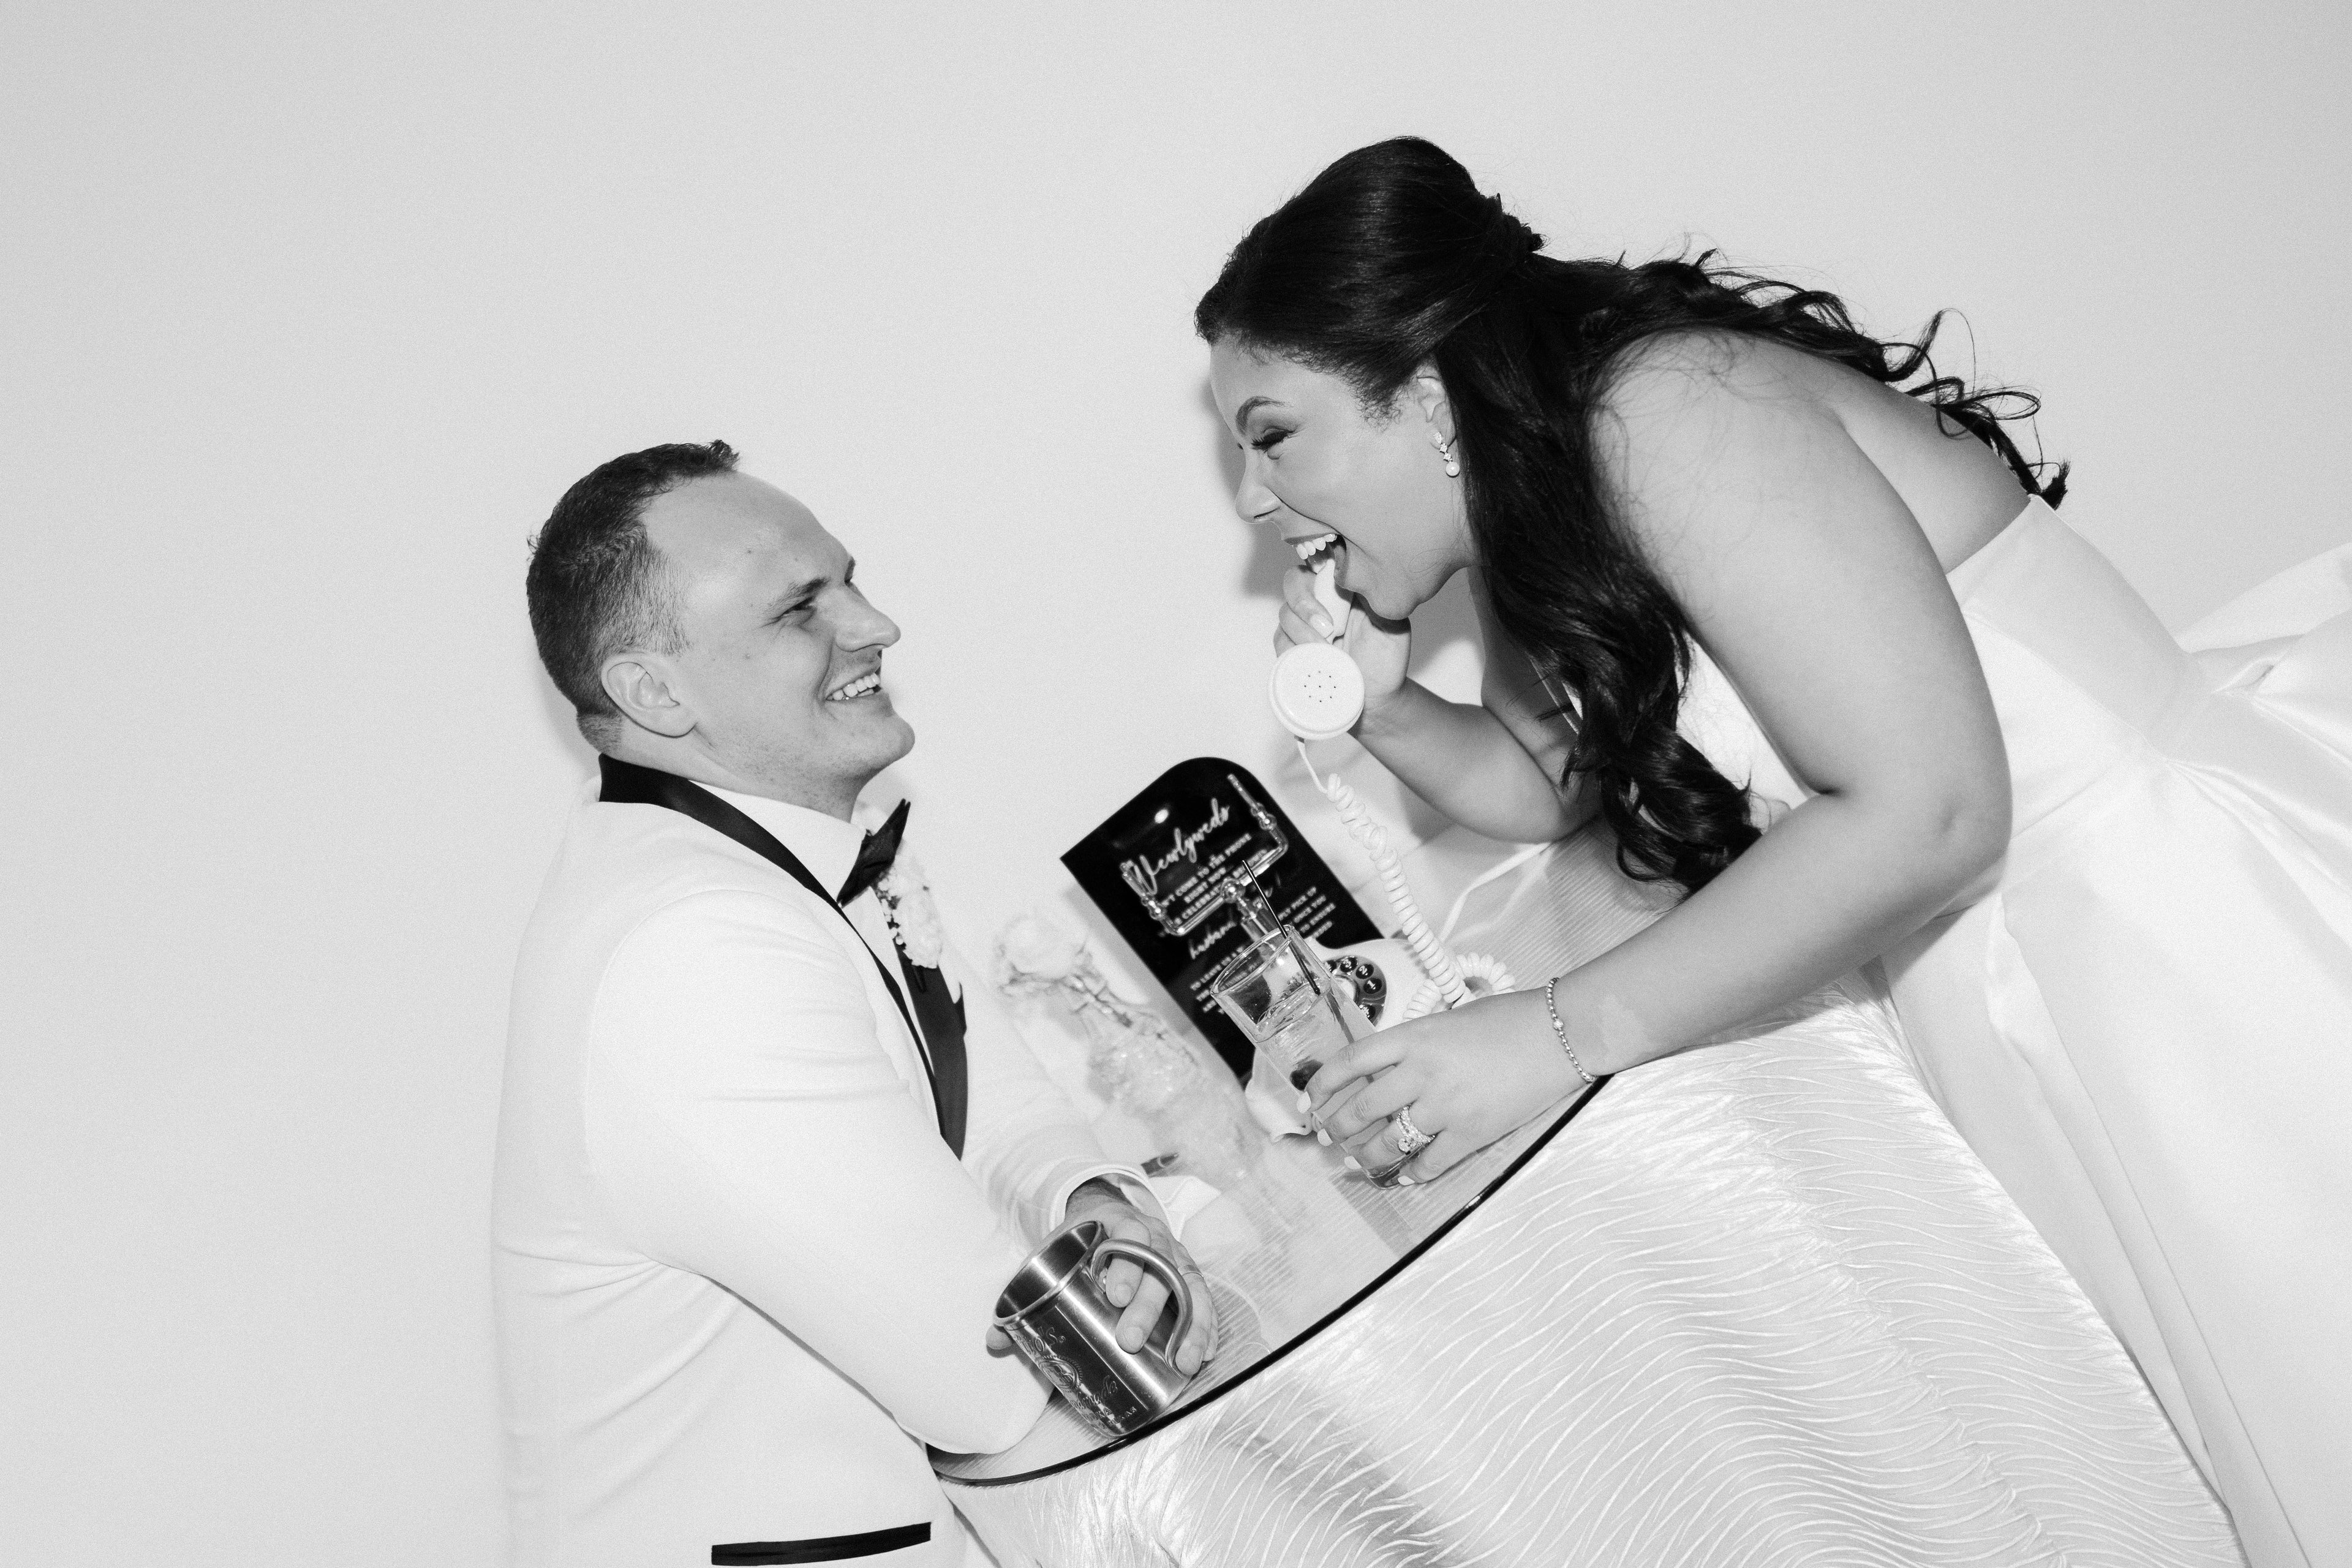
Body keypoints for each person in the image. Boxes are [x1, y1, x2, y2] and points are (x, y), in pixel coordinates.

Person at [1199, 138, 2350, 1567]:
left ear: (1424, 397)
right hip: (2012, 994)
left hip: (2171, 948)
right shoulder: (1553, 482)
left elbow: (1932, 808)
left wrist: (1550, 1035)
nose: (1253, 496)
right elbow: (1559, 780)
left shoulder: (1665, 410)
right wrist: (1390, 711)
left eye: (1270, 432)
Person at [496, 441, 1213, 1567]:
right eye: (801, 610)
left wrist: (1094, 1204)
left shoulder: (793, 846)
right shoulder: (685, 952)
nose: (877, 626)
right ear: (652, 692)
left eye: (850, 580)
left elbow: (992, 1109)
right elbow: (983, 1379)